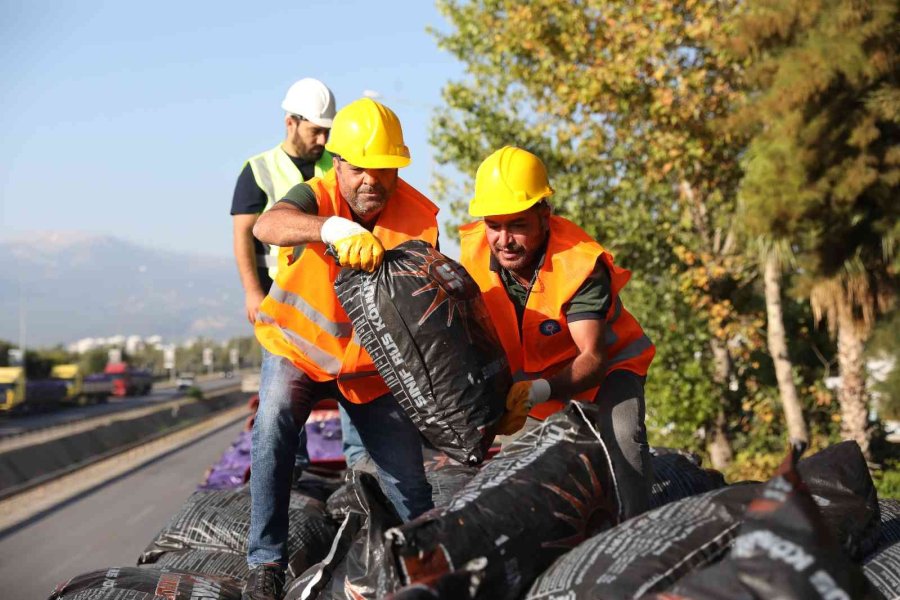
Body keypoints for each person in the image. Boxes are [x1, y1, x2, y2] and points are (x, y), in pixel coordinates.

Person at [243, 97, 440, 600]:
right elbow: (268, 225)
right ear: (338, 163)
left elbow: (425, 313)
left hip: (368, 367)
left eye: (383, 170)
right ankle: (266, 561)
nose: (370, 181)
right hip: (299, 349)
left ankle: (423, 568)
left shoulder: (419, 219)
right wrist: (328, 228)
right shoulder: (315, 195)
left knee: (409, 484)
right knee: (273, 425)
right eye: (359, 170)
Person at [458, 146, 656, 522]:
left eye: (518, 224)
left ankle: (635, 530)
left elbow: (593, 358)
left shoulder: (579, 264)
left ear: (544, 217)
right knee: (514, 473)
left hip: (608, 370)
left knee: (623, 439)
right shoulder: (471, 256)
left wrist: (538, 391)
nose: (504, 240)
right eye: (494, 225)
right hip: (531, 386)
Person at [230, 79, 366, 488]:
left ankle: (359, 462)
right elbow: (243, 236)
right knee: (286, 387)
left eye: (329, 131)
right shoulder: (258, 170)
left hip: (337, 293)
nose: (323, 140)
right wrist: (253, 291)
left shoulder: (336, 164)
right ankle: (294, 467)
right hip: (282, 296)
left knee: (352, 374)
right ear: (291, 123)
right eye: (316, 131)